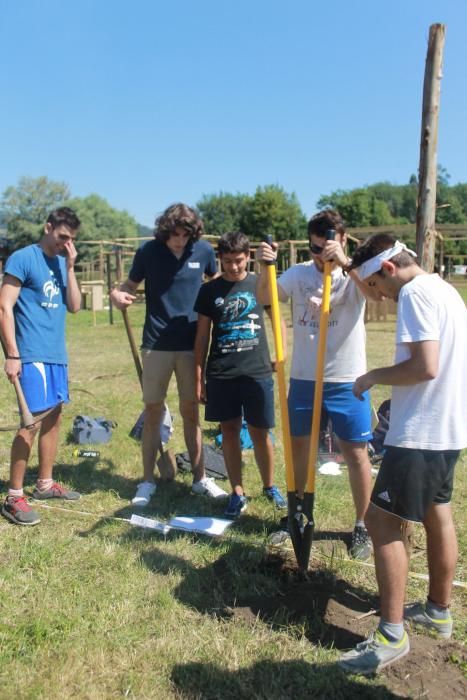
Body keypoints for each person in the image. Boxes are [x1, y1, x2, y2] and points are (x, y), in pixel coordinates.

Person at [339, 234, 467, 674]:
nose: (380, 297)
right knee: (437, 514)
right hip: (449, 429)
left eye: (377, 286)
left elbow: (425, 366)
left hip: (420, 435)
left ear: (389, 269)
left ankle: (391, 636)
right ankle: (437, 610)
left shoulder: (413, 293)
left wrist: (372, 375)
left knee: (380, 522)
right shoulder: (445, 289)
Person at [256, 210, 379, 559]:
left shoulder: (358, 274)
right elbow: (265, 298)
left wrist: (347, 263)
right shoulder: (297, 275)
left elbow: (376, 297)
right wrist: (262, 266)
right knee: (300, 451)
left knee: (355, 454)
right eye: (313, 249)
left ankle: (362, 525)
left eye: (325, 247)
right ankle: (298, 512)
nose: (318, 256)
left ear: (342, 240)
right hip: (305, 379)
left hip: (347, 379)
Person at [111, 203, 227, 505]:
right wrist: (117, 295)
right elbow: (128, 286)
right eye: (174, 234)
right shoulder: (148, 252)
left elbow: (217, 283)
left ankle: (201, 478)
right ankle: (147, 481)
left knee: (191, 412)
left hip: (192, 345)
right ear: (165, 231)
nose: (179, 240)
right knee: (153, 412)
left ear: (193, 233)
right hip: (155, 345)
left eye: (184, 235)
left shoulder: (202, 251)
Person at [194, 231, 286, 518]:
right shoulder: (209, 291)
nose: (234, 267)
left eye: (239, 260)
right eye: (228, 261)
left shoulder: (260, 283)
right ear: (219, 259)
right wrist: (199, 376)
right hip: (222, 373)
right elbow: (201, 337)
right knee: (230, 431)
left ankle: (269, 486)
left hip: (257, 371)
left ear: (249, 257)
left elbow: (278, 319)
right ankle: (237, 491)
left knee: (261, 432)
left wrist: (281, 356)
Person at [0, 207, 82, 526]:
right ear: (47, 227)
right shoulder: (23, 258)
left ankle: (45, 485)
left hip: (56, 354)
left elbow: (74, 306)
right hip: (30, 353)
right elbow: (4, 307)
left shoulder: (63, 262)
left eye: (71, 239)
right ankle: (14, 496)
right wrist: (12, 354)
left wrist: (71, 267)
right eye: (62, 237)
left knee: (54, 417)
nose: (66, 243)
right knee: (30, 422)